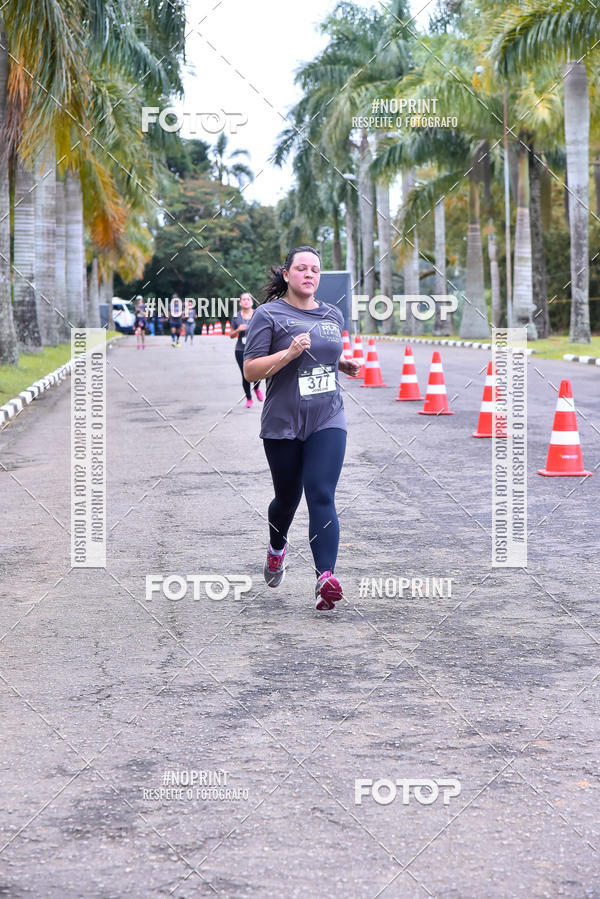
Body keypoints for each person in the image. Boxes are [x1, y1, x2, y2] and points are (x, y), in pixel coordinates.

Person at [243, 246, 360, 611]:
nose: (309, 274)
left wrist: (342, 363)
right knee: (287, 500)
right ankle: (277, 546)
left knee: (321, 493)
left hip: (328, 416)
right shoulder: (268, 315)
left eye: (315, 270)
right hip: (284, 421)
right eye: (302, 268)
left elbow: (323, 353)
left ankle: (325, 577)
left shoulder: (332, 314)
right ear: (287, 274)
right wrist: (288, 354)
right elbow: (251, 370)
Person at [230, 293, 264, 408]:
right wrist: (238, 330)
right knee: (245, 375)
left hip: (256, 349)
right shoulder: (236, 317)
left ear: (252, 302)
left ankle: (257, 388)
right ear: (240, 302)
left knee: (258, 372)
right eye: (243, 299)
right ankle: (249, 398)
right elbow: (231, 335)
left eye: (248, 299)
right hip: (240, 350)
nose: (246, 301)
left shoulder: (258, 314)